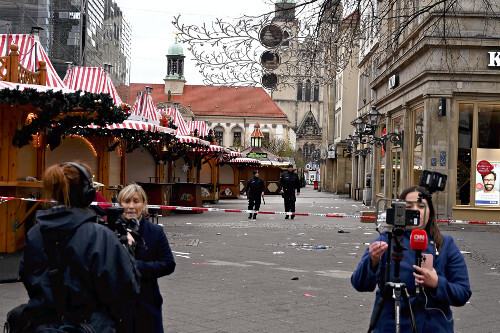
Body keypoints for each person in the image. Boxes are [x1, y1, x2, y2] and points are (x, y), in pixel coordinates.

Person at [19, 162, 140, 332]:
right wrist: (129, 251)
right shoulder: (100, 236)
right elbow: (126, 289)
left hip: (44, 326)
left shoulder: (35, 233)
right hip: (93, 326)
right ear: (87, 193)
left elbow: (28, 278)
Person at [351, 186, 472, 332]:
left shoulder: (445, 244)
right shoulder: (386, 241)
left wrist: (437, 283)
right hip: (390, 326)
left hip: (433, 326)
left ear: (429, 212)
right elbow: (359, 284)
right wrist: (372, 261)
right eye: (409, 206)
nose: (415, 211)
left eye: (421, 206)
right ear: (399, 211)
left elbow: (463, 293)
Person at [117, 183, 176, 333]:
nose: (131, 206)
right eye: (126, 201)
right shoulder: (108, 231)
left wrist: (136, 267)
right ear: (119, 204)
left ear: (144, 204)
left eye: (136, 201)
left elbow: (168, 264)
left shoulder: (155, 232)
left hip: (147, 303)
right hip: (116, 305)